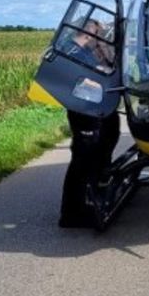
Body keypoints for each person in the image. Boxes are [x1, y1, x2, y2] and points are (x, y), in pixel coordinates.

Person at [59, 18, 120, 228]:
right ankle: (71, 213)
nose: (99, 39)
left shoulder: (81, 50)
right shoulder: (72, 51)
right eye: (97, 34)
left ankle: (92, 198)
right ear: (89, 32)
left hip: (96, 111)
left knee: (101, 148)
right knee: (82, 159)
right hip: (84, 112)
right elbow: (79, 78)